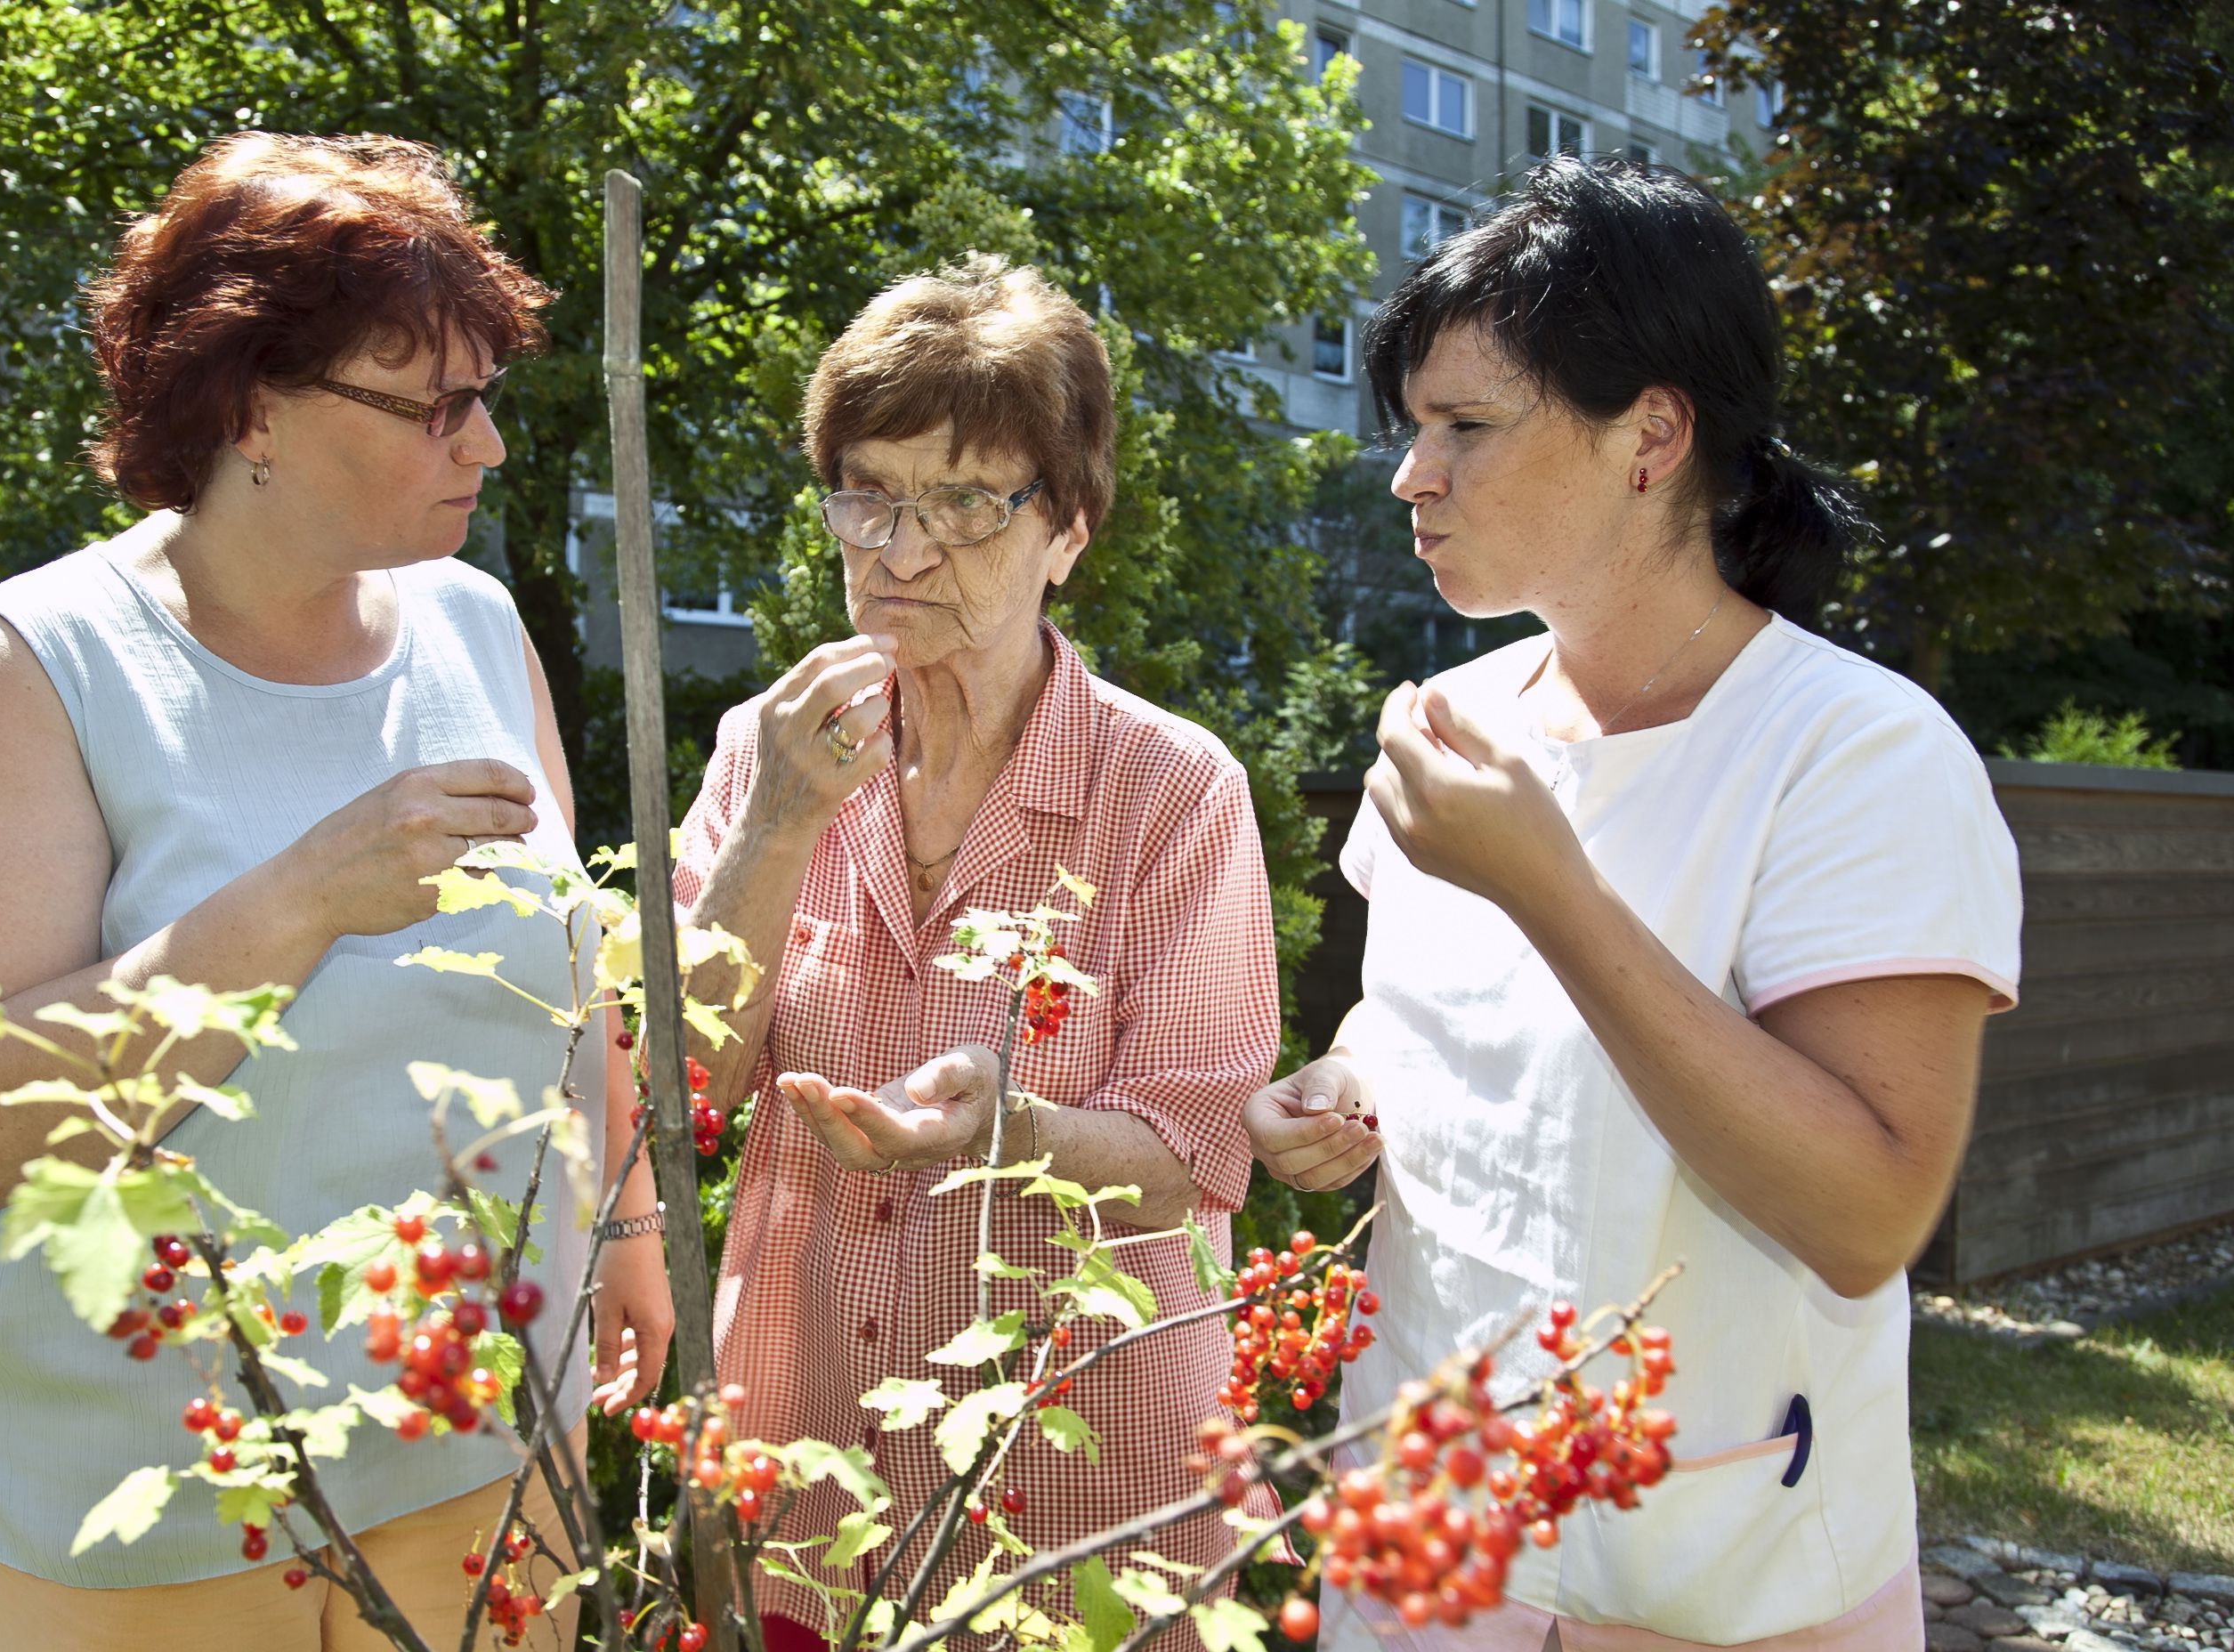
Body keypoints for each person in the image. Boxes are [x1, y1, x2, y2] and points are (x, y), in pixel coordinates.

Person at [0, 133, 670, 1650]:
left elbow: (575, 978)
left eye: (483, 395)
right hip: (166, 1505)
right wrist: (301, 895)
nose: (485, 445)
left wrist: (623, 1222)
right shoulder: (39, 671)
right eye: (432, 404)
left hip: (492, 1454)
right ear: (248, 408)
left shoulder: (476, 628)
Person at [1245, 158, 2022, 1651]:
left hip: (1713, 1579)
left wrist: (1556, 894)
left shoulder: (1857, 754)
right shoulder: (1450, 722)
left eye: (1466, 427)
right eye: (1415, 429)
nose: (1415, 474)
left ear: (1651, 434)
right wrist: (1340, 1083)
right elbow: (1416, 1024)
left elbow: (1869, 1212)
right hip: (1422, 1542)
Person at [672, 255, 1279, 1648]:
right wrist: (775, 826)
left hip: (1077, 1494)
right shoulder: (769, 756)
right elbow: (683, 1084)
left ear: (1066, 529)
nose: (899, 549)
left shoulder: (1169, 791)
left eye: (963, 503)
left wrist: (1009, 1132)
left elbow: (1192, 1147)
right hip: (804, 1469)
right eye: (869, 494)